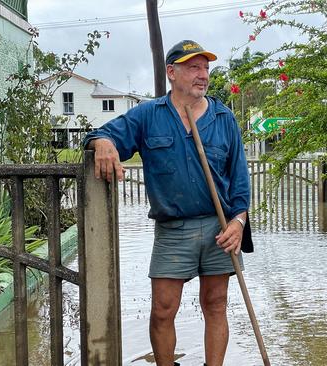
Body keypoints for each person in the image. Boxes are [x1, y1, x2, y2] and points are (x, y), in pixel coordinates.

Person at [83, 40, 251, 366]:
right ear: (171, 73)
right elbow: (103, 133)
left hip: (221, 226)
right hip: (173, 228)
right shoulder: (149, 115)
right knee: (162, 309)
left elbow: (240, 183)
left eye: (205, 68)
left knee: (216, 303)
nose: (202, 75)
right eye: (193, 68)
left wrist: (238, 222)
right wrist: (102, 142)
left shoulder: (223, 118)